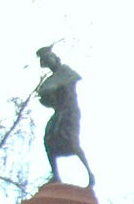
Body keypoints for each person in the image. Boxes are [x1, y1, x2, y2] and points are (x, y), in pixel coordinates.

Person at [35, 45, 95, 187]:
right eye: (46, 62)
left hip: (70, 112)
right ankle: (55, 175)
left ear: (55, 58)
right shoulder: (51, 78)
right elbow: (45, 94)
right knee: (48, 140)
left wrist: (49, 90)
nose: (49, 63)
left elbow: (57, 85)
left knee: (71, 141)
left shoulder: (66, 71)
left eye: (49, 59)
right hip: (59, 112)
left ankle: (90, 175)